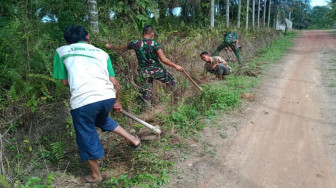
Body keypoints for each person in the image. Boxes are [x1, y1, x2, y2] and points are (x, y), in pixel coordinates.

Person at [53, 26, 141, 183]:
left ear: (67, 41)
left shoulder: (62, 51)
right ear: (87, 37)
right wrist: (116, 101)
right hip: (107, 96)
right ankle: (134, 140)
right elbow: (114, 82)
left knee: (86, 135)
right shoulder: (101, 53)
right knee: (103, 120)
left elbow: (65, 82)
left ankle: (95, 175)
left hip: (84, 101)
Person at [105, 25, 184, 107]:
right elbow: (163, 59)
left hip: (144, 72)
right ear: (152, 34)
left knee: (147, 92)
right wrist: (176, 66)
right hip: (157, 70)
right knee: (172, 83)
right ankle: (177, 105)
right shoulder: (155, 44)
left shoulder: (135, 43)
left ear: (143, 33)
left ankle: (148, 111)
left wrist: (110, 47)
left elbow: (121, 48)